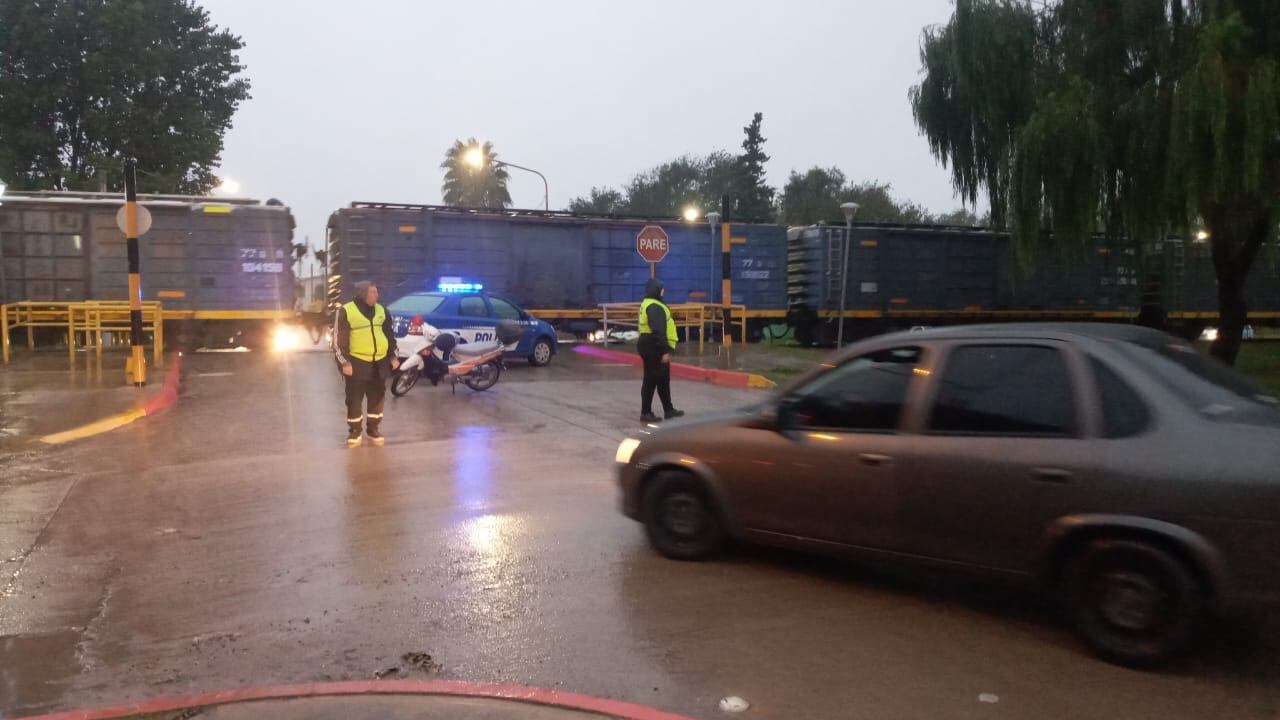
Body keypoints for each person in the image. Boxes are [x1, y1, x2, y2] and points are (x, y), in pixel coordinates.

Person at [333, 281, 399, 447]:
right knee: (354, 398)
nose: (376, 296)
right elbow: (339, 341)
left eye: (376, 292)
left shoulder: (382, 311)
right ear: (363, 294)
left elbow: (390, 336)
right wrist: (345, 362)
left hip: (379, 362)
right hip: (357, 362)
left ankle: (373, 429)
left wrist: (392, 356)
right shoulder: (347, 311)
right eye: (372, 293)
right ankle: (355, 432)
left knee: (377, 397)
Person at [637, 277, 684, 423]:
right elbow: (658, 330)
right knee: (651, 380)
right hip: (654, 347)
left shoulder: (651, 303)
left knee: (662, 379)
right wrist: (663, 351)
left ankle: (668, 410)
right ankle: (645, 412)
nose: (663, 291)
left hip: (650, 344)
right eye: (661, 288)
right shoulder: (655, 307)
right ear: (656, 290)